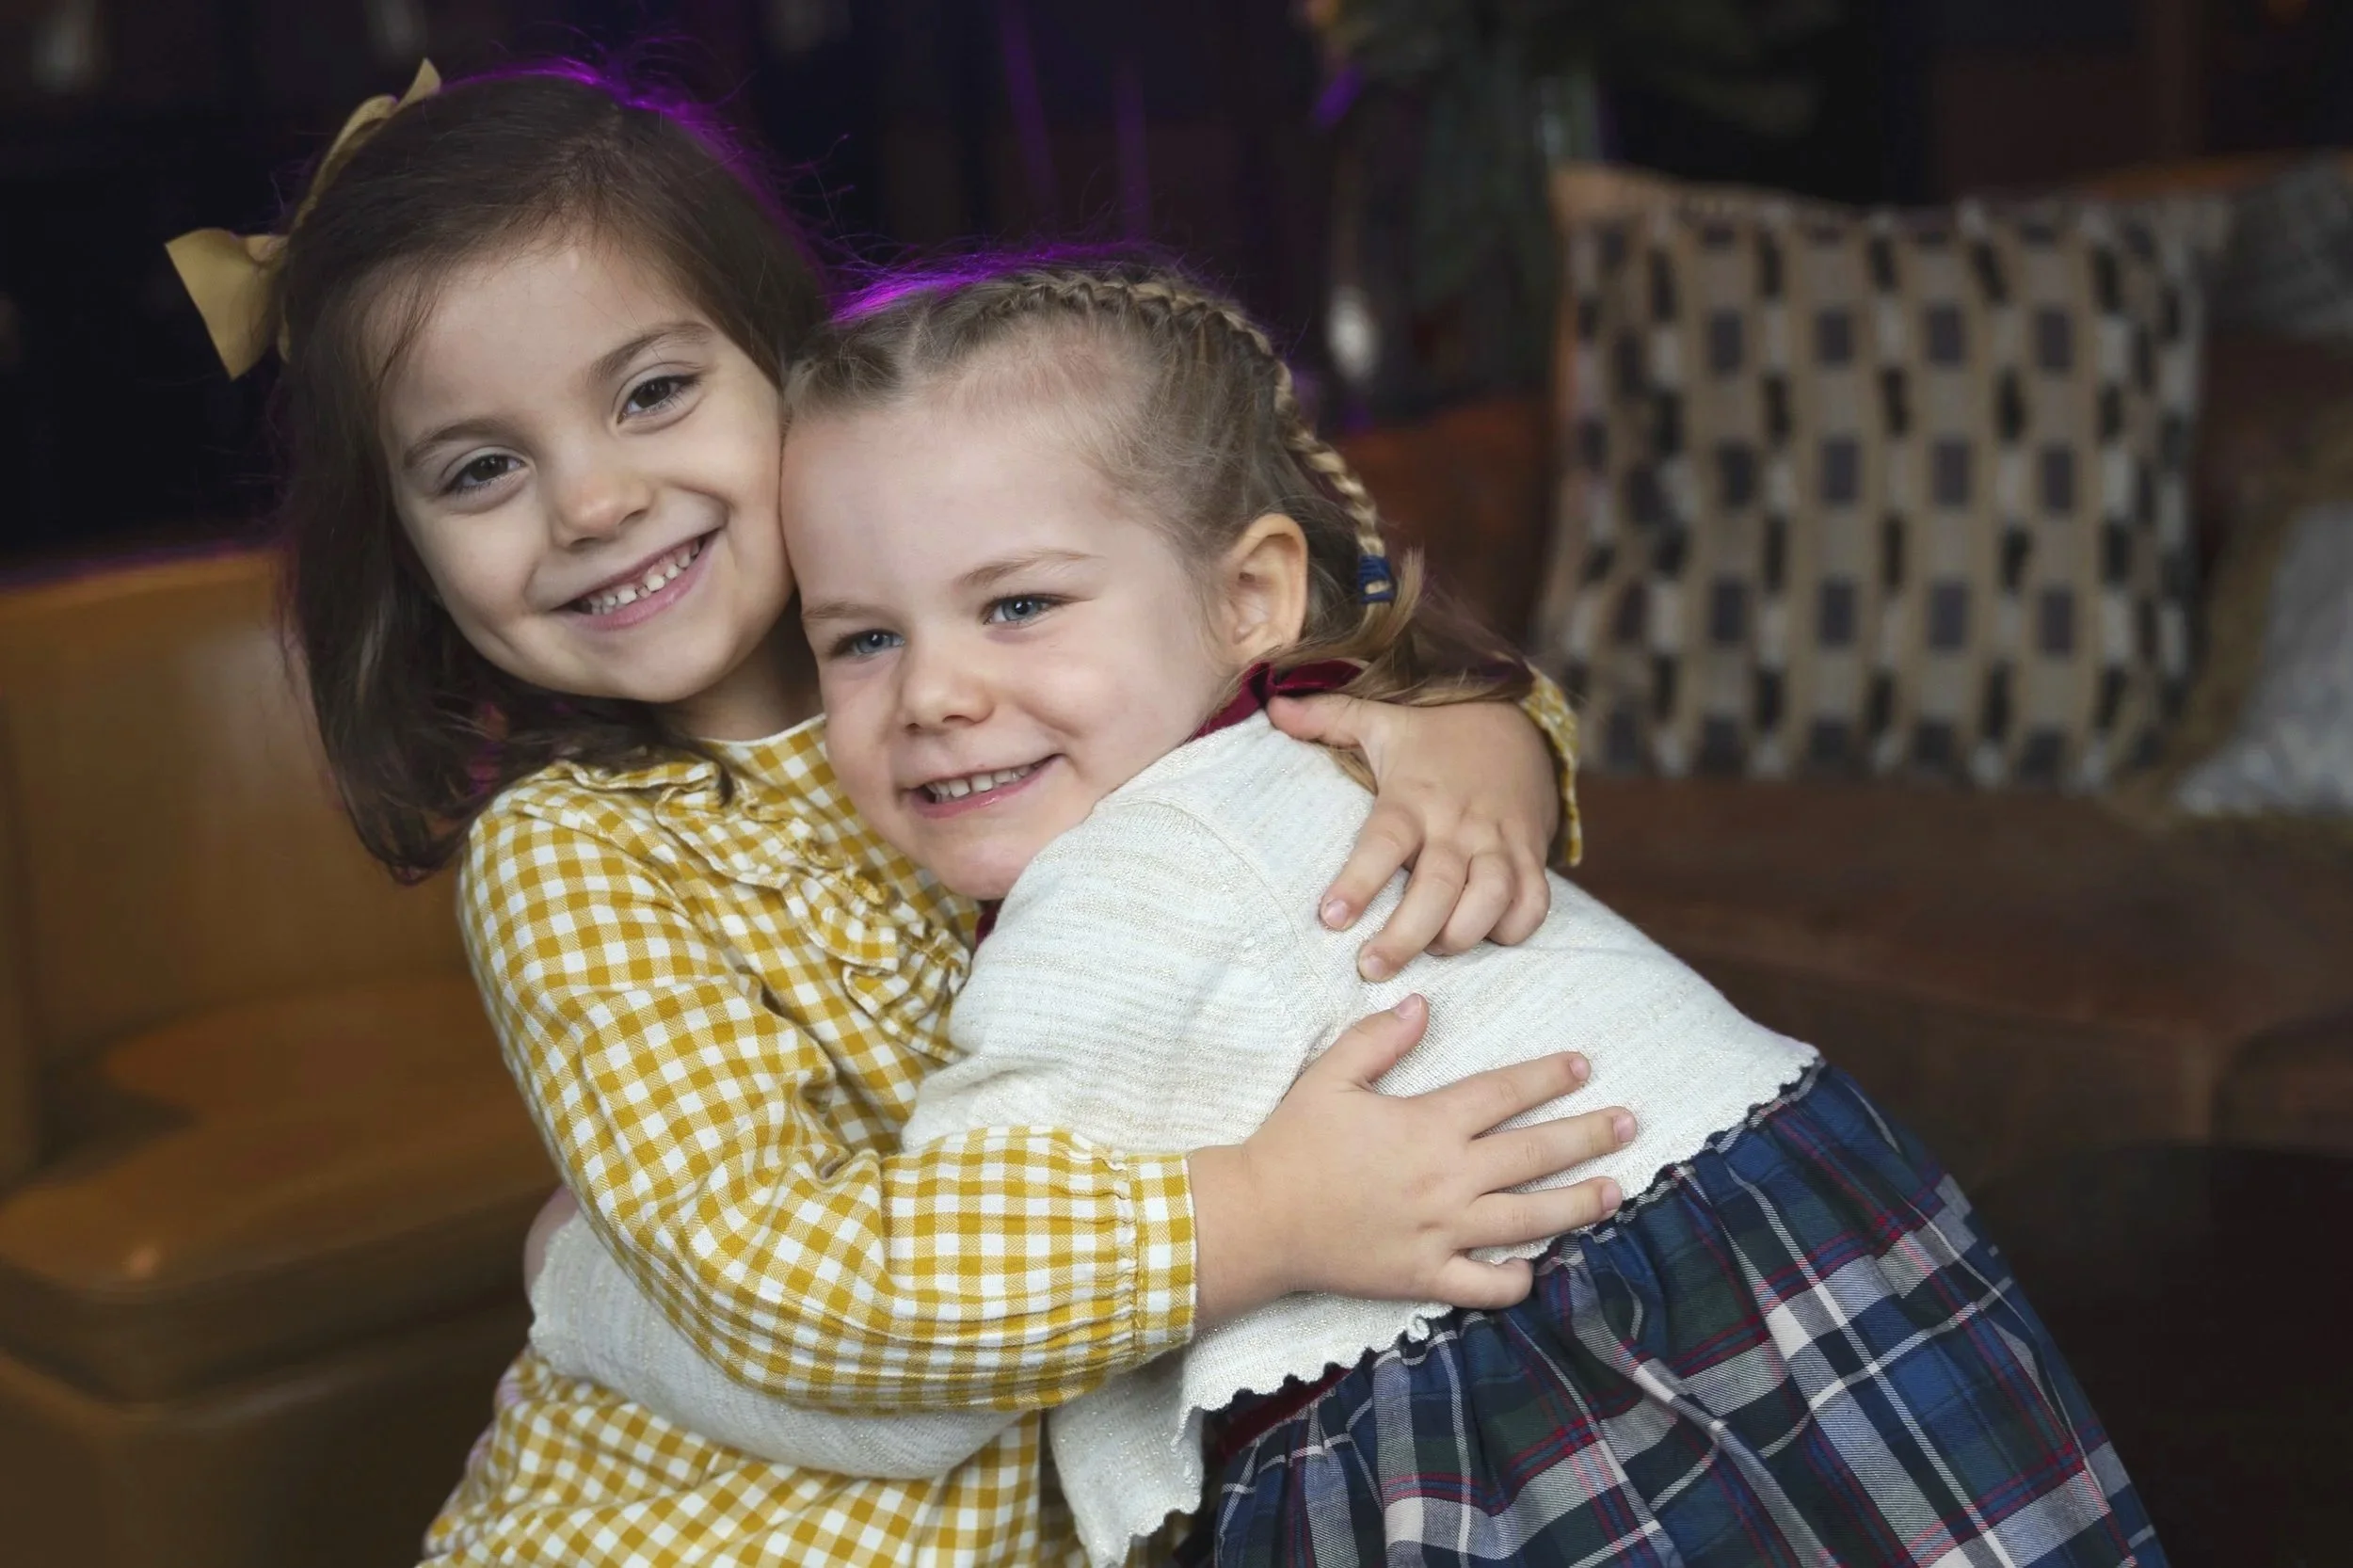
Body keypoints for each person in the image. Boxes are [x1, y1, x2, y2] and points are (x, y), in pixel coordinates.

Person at [166, 63, 1635, 1565]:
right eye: (482, 469)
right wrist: (1254, 1217)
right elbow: (768, 1276)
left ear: (797, 372)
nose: (593, 501)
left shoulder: (1017, 666)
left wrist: (1483, 736)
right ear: (404, 552)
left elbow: (1318, 620)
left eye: (654, 392)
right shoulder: (577, 854)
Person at [533, 256, 2165, 1567]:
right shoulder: (1327, 744)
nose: (938, 693)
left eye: (1018, 603)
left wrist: (579, 1282)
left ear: (1251, 593)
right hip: (1799, 1247)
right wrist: (1494, 722)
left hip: (1534, 1394)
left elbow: (932, 1376)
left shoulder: (1118, 905)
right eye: (861, 639)